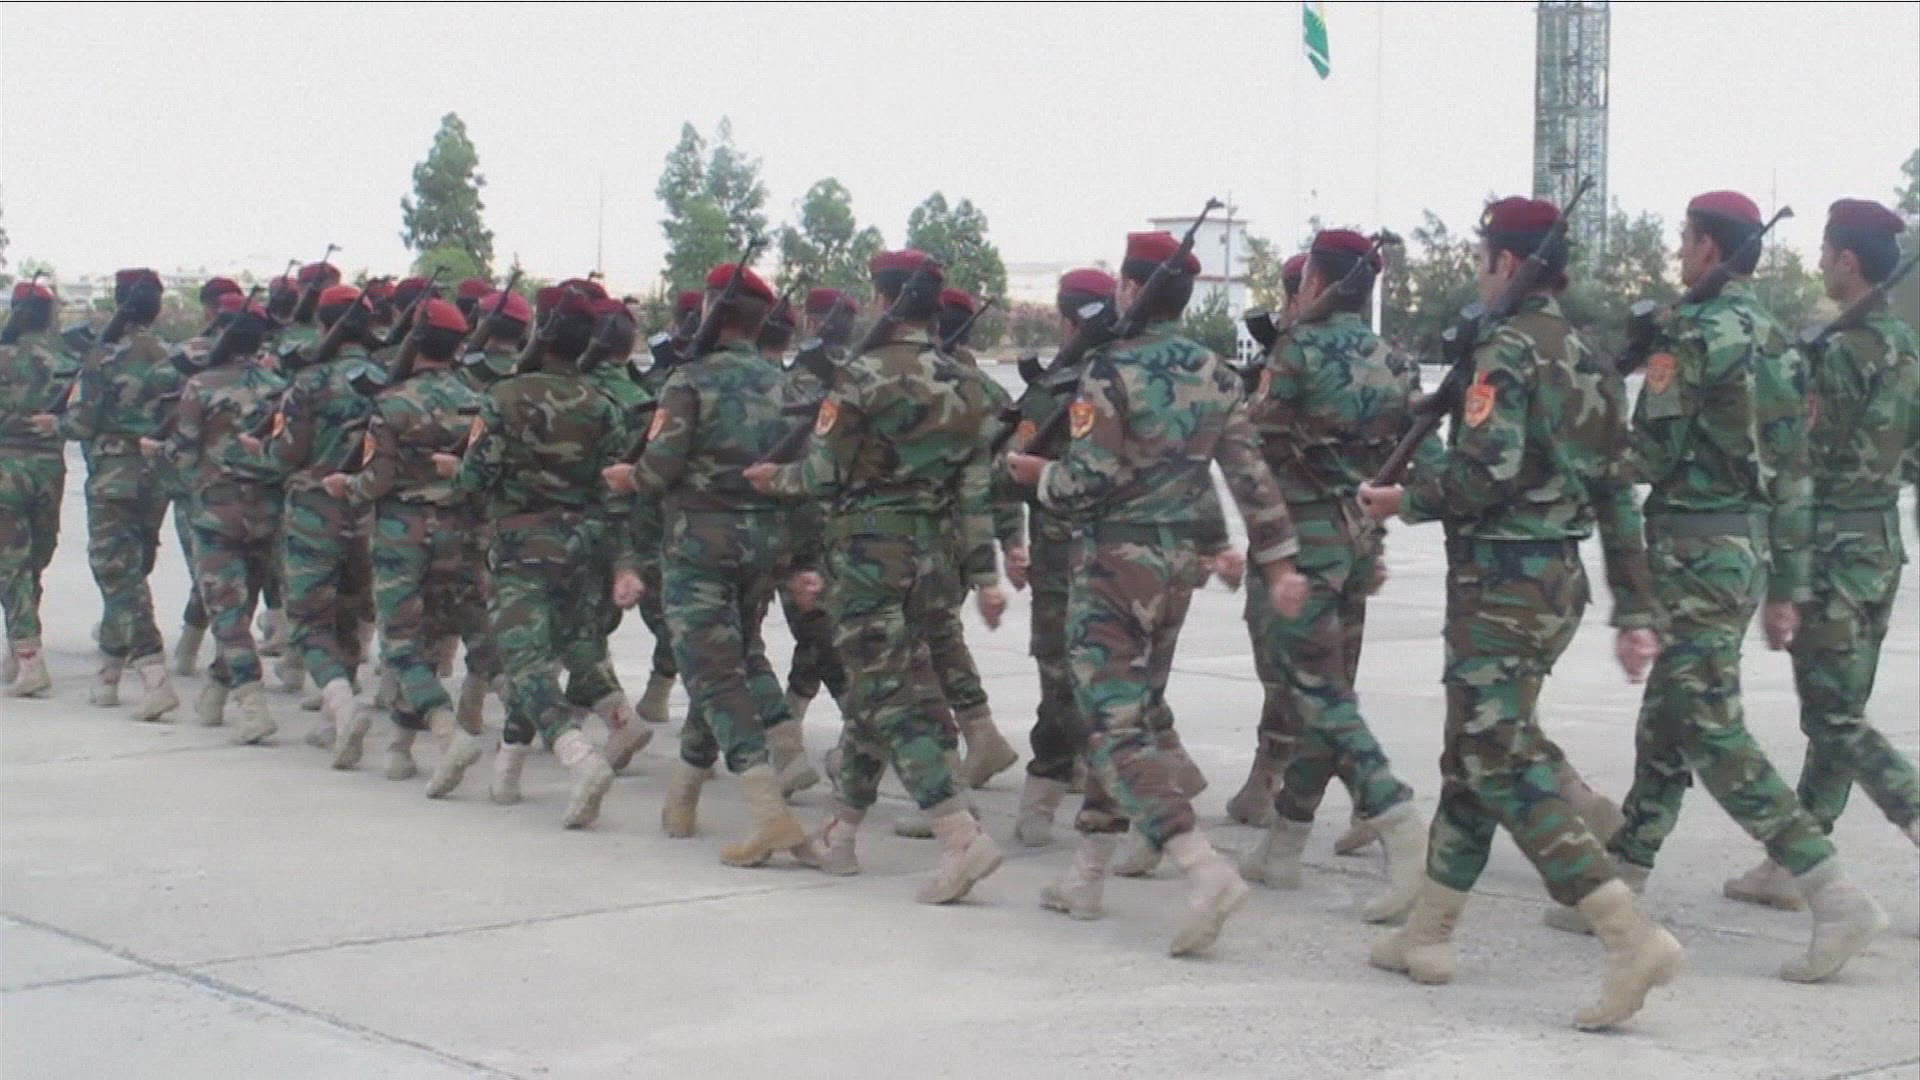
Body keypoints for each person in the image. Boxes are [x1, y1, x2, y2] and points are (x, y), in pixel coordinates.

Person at [1356, 196, 1679, 1030]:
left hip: (1501, 584)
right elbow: (1616, 490)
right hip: (1555, 583)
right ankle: (1430, 931)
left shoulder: (1504, 351)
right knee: (1472, 753)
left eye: (1481, 259)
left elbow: (1484, 475)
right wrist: (1634, 605)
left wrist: (1405, 497)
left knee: (1496, 759)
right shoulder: (1590, 356)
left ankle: (1626, 933)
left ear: (1506, 262)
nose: (1478, 273)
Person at [1598, 191, 1888, 983]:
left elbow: (1648, 455)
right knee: (1671, 712)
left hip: (1691, 551)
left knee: (1710, 726)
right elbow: (1795, 473)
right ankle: (1624, 872)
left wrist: (1588, 435)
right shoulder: (1778, 339)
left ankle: (1829, 889)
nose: (1678, 252)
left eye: (1684, 239)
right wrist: (1787, 583)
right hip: (1745, 550)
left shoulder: (1691, 334)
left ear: (1707, 248)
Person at [1006, 231, 1306, 956]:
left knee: (1111, 727)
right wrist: (1278, 562)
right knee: (1131, 714)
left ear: (1132, 290)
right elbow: (1249, 477)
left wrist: (1036, 477)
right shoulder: (1216, 373)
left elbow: (1087, 480)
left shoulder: (1109, 370)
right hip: (1176, 568)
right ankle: (1087, 874)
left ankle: (1201, 866)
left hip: (1114, 564)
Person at [745, 248, 1008, 905]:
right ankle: (841, 833)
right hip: (935, 560)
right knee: (872, 694)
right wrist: (984, 572)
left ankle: (958, 833)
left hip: (869, 557)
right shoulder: (969, 384)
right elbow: (977, 492)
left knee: (889, 697)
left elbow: (822, 474)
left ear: (883, 300)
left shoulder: (860, 376)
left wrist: (772, 478)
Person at [1236, 229, 1427, 923]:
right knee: (1328, 687)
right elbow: (1405, 460)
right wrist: (1373, 539)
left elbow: (1256, 451)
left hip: (1301, 541)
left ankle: (1394, 816)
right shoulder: (1395, 361)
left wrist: (1273, 552)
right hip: (1356, 539)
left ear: (1317, 281)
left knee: (1312, 689)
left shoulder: (1298, 350)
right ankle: (1285, 842)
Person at [608, 263, 809, 865]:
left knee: (714, 675)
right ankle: (685, 794)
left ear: (712, 315)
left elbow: (661, 466)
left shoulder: (689, 381)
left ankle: (768, 813)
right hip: (763, 545)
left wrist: (629, 477)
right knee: (724, 659)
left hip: (699, 545)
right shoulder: (785, 385)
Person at [436, 286, 625, 829]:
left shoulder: (505, 396)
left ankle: (577, 755)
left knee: (523, 662)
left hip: (522, 546)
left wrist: (454, 477)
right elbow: (612, 488)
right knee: (555, 653)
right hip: (583, 546)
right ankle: (509, 771)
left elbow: (476, 478)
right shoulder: (602, 404)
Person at [323, 298, 504, 782]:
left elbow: (377, 478)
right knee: (451, 632)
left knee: (402, 643)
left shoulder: (393, 402)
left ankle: (446, 730)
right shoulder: (479, 400)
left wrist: (346, 487)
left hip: (403, 534)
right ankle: (401, 748)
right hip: (464, 532)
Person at [241, 283, 381, 762]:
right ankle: (332, 716)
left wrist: (260, 449)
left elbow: (287, 454)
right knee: (350, 609)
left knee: (307, 619)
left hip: (313, 509)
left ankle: (340, 702)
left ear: (324, 324)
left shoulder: (309, 382)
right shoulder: (387, 377)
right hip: (370, 511)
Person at [41, 268, 182, 720]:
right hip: (157, 474)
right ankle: (109, 671)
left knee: (116, 572)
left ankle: (153, 674)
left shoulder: (104, 356)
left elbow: (82, 422)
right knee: (133, 568)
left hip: (114, 475)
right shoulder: (170, 356)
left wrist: (54, 424)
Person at [147, 294, 286, 741]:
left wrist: (156, 451)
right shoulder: (278, 385)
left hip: (216, 509)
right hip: (268, 508)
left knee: (225, 609)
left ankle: (251, 702)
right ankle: (215, 693)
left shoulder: (201, 385)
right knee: (242, 604)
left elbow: (185, 450)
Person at [1010, 268, 1115, 847]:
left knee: (1060, 675)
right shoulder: (1129, 378)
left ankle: (1048, 789)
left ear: (1068, 320)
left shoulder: (1058, 389)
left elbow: (1010, 471)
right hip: (1126, 556)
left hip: (1062, 555)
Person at [0, 279, 77, 698]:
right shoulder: (66, 359)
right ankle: (22, 645)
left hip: (6, 466)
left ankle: (28, 656)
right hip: (50, 467)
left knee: (10, 563)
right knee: (34, 560)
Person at [169, 276, 245, 677]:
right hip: (256, 489)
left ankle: (196, 645)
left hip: (203, 484)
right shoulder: (269, 366)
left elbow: (181, 432)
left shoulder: (190, 355)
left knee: (206, 568)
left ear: (210, 311)